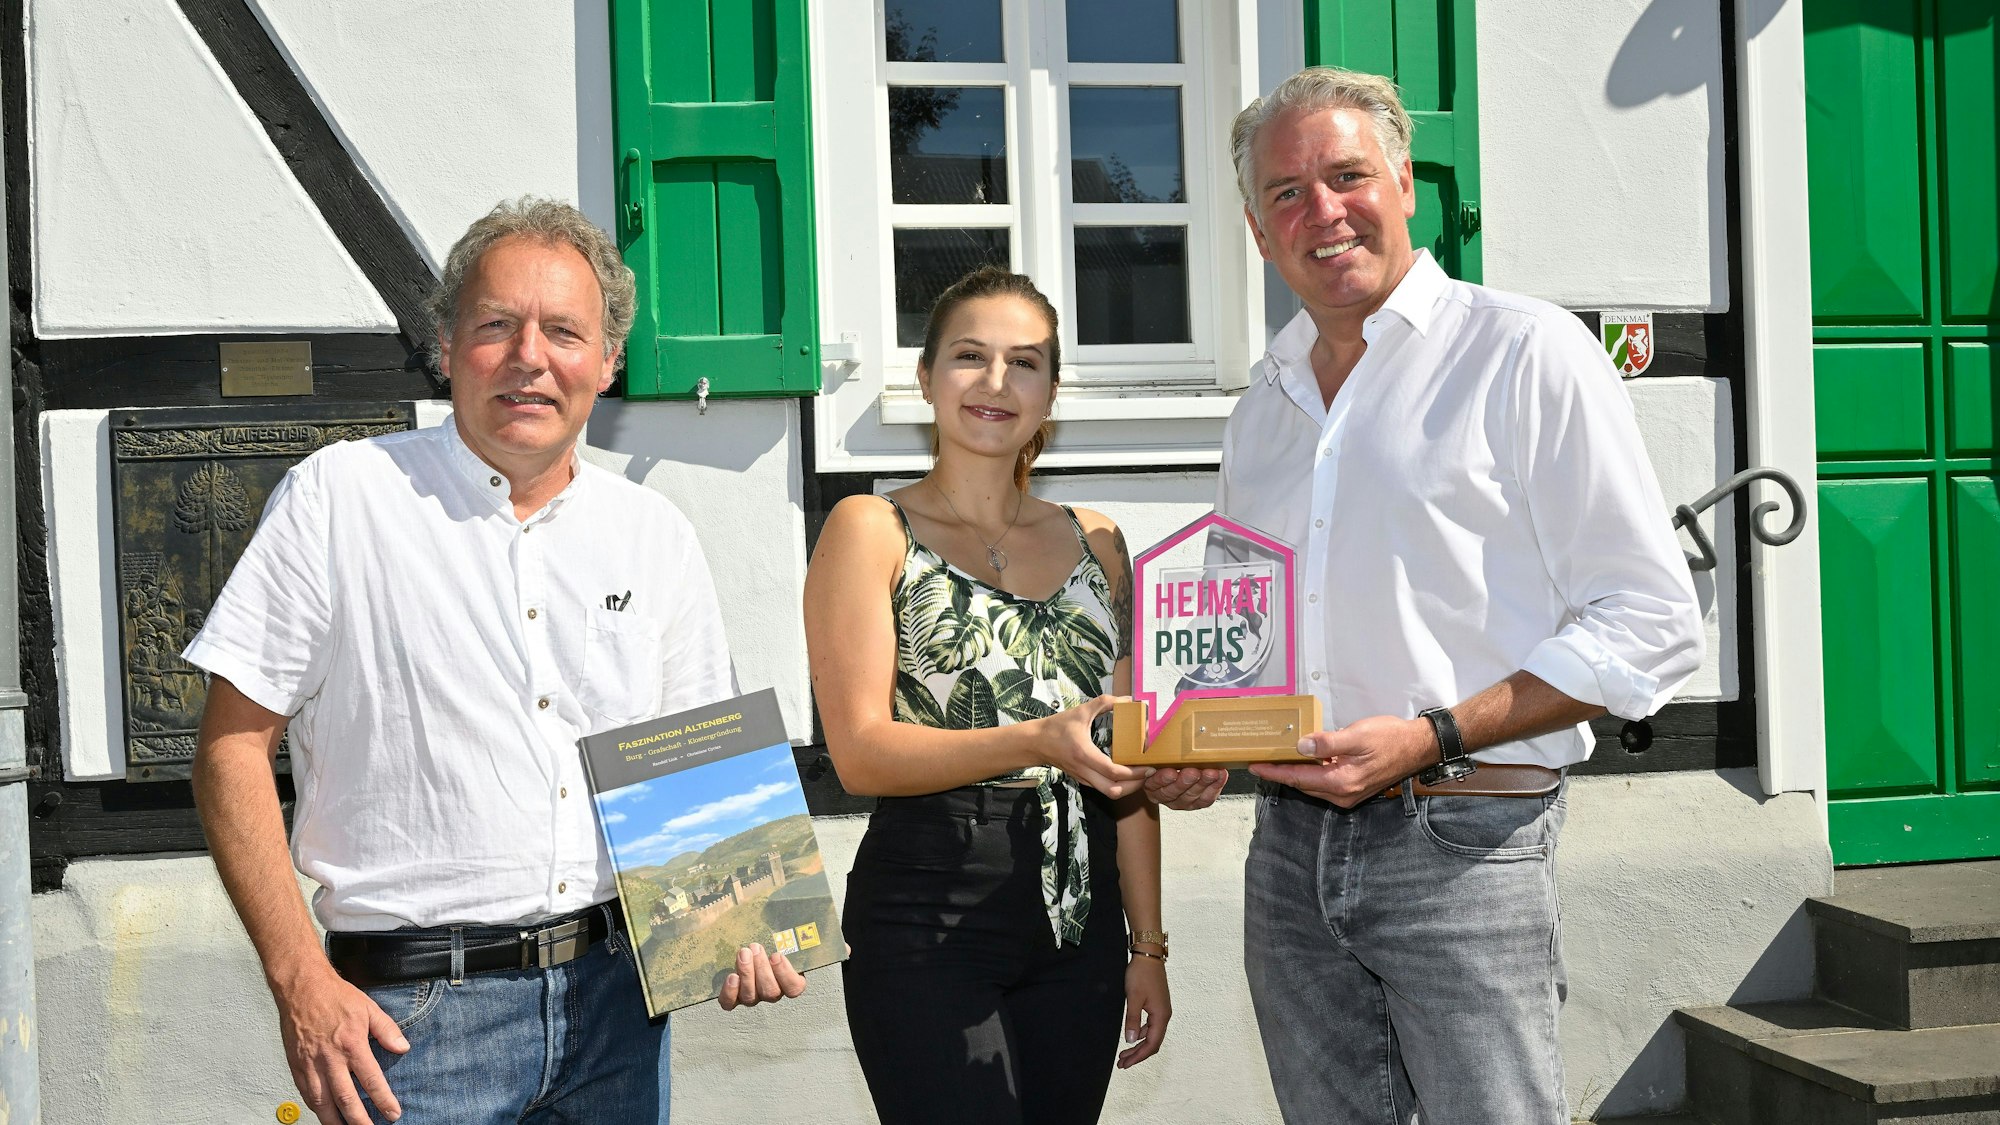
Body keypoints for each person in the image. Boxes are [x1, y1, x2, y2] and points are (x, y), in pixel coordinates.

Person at [1159, 68, 1706, 1123]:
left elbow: (1650, 623)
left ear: (1406, 183)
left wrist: (1431, 735)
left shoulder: (1523, 351)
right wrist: (1197, 741)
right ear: (1256, 229)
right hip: (1287, 850)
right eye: (1285, 192)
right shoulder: (1260, 408)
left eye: (1347, 175)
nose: (1322, 210)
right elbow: (1240, 639)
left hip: (1465, 836)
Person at [187, 197, 802, 1125]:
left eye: (564, 331)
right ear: (446, 346)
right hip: (411, 1027)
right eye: (496, 326)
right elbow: (230, 749)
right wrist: (299, 977)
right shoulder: (341, 498)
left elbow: (693, 760)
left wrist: (742, 927)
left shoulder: (654, 535)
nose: (529, 357)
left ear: (608, 361)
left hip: (616, 1015)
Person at [803, 267, 1171, 1124]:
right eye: (970, 356)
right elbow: (860, 754)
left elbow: (1128, 760)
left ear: (1051, 393)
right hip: (928, 905)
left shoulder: (1101, 542)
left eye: (1025, 362)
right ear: (926, 378)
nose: (996, 382)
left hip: (1082, 914)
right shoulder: (870, 528)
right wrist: (1038, 739)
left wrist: (1148, 944)